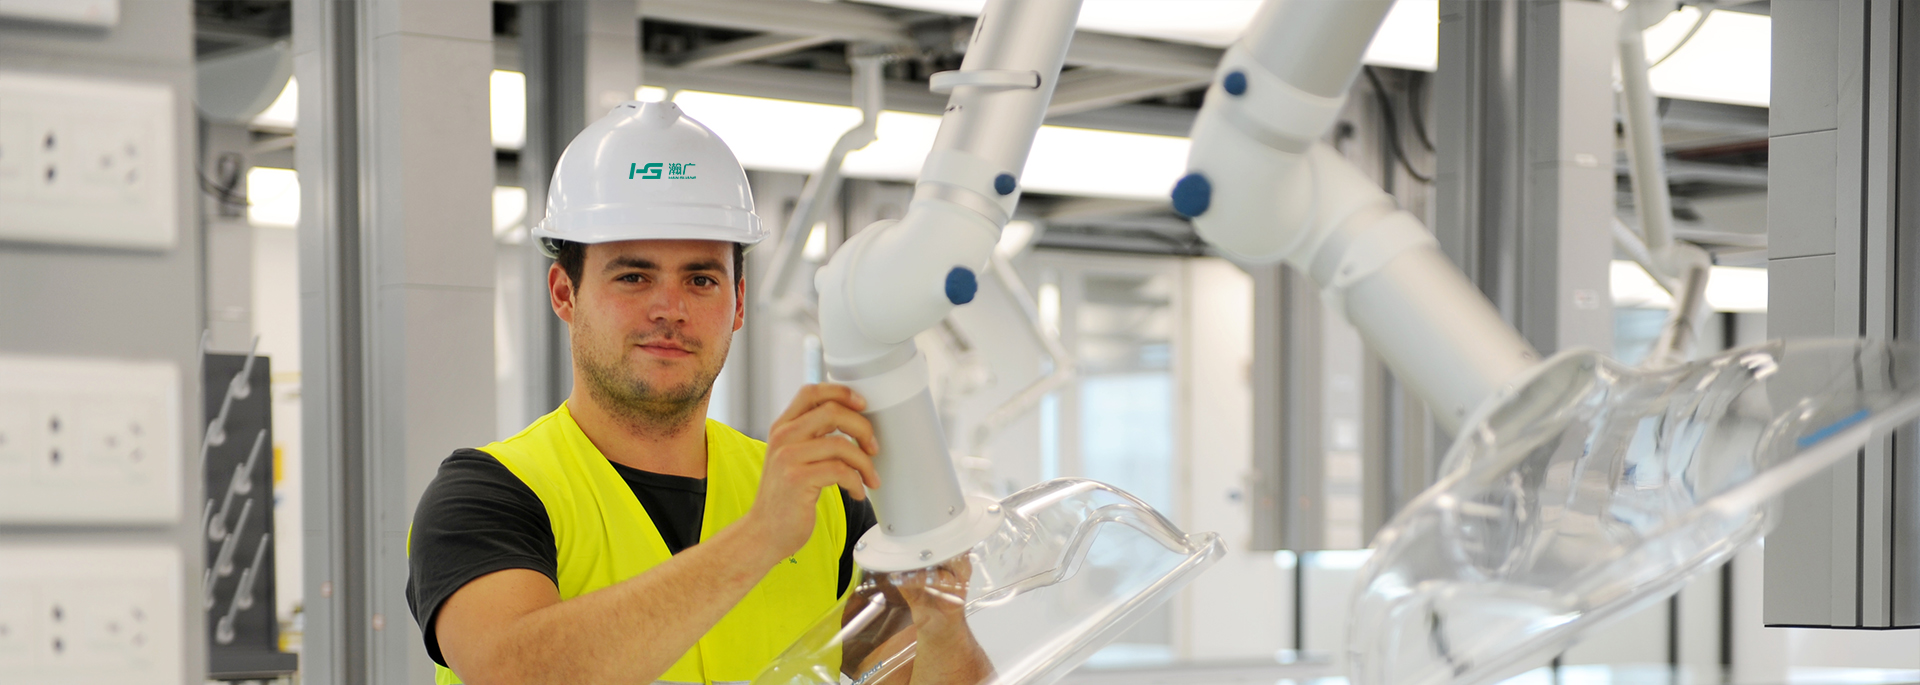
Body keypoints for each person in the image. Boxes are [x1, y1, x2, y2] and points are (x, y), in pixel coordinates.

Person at [405, 101, 989, 685]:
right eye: (633, 277)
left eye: (701, 279)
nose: (670, 309)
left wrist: (940, 614)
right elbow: (512, 671)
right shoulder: (486, 497)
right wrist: (760, 538)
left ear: (738, 303)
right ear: (564, 293)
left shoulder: (828, 504)